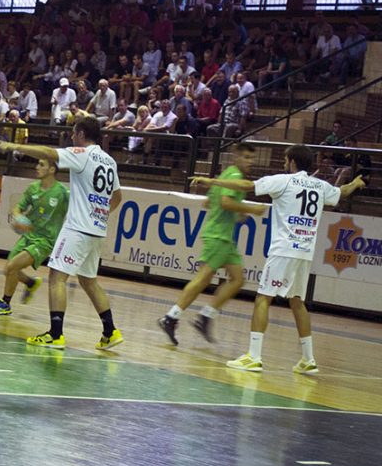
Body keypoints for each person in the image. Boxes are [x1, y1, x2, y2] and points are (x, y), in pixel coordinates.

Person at [191, 145, 366, 374]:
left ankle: (254, 357)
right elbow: (341, 192)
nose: (284, 164)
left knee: (263, 298)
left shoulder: (283, 181)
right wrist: (355, 183)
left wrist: (213, 181)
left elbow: (247, 186)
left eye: (285, 160)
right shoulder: (320, 186)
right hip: (305, 253)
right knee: (297, 302)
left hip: (283, 250)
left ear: (292, 162)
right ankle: (308, 360)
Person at [0, 117, 124, 350]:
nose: (72, 137)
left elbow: (48, 153)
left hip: (78, 228)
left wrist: (15, 146)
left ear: (81, 134)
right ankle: (110, 332)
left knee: (57, 277)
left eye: (74, 133)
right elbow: (117, 197)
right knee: (89, 281)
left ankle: (55, 334)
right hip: (97, 230)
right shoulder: (109, 161)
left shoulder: (82, 154)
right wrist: (99, 214)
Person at [157, 144, 266, 344]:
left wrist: (235, 213)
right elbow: (225, 202)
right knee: (203, 279)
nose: (250, 161)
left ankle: (206, 316)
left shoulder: (226, 175)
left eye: (252, 158)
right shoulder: (235, 176)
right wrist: (251, 209)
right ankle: (171, 317)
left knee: (237, 279)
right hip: (218, 236)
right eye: (246, 157)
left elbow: (208, 202)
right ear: (236, 158)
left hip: (225, 238)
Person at [0, 157, 68, 315]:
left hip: (45, 241)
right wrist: (18, 218)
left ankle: (5, 304)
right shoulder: (33, 188)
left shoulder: (63, 193)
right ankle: (30, 283)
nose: (37, 167)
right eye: (37, 163)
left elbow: (78, 210)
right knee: (8, 270)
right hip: (29, 236)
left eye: (41, 165)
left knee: (12, 267)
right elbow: (18, 208)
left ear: (52, 170)